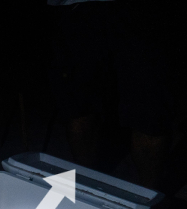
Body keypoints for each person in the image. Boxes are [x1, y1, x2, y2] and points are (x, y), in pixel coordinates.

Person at [48, 0, 174, 191]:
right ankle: (83, 187)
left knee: (150, 115)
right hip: (75, 6)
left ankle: (148, 199)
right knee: (79, 110)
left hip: (143, 10)